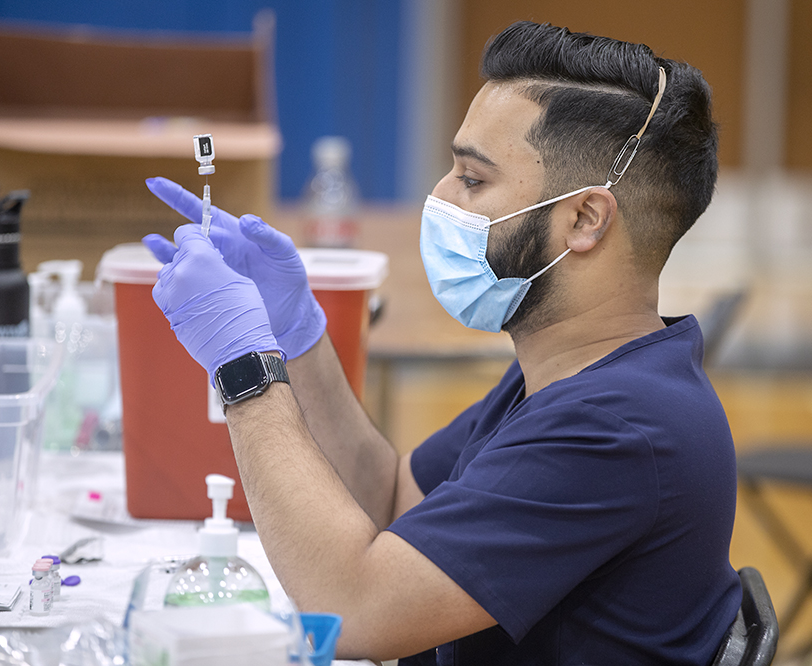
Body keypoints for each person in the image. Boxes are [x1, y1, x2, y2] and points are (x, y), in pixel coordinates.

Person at [142, 20, 740, 666]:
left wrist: (244, 367)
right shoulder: (575, 370)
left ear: (585, 220)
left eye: (472, 180)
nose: (440, 197)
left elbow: (352, 611)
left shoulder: (616, 431)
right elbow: (393, 500)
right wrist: (297, 335)